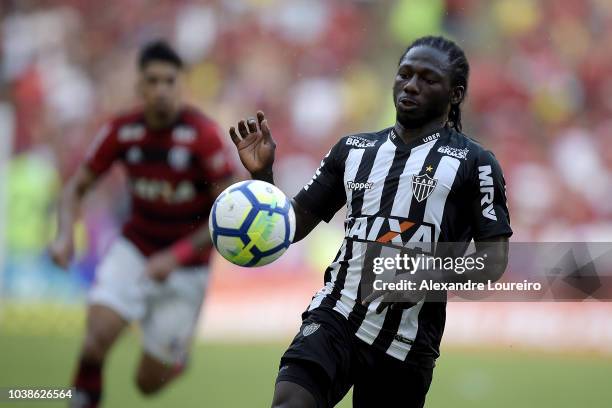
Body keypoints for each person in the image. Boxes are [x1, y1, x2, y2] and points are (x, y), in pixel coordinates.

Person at [229, 35, 512, 407]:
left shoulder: (475, 163)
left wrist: (425, 273)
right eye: (405, 74)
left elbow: (493, 260)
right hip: (336, 315)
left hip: (408, 344)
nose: (411, 85)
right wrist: (263, 177)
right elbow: (291, 226)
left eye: (428, 79)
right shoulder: (353, 150)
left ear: (455, 94)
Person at [49, 40, 234, 407]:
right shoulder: (122, 131)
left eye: (170, 81)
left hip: (187, 267)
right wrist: (64, 235)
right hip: (136, 247)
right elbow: (76, 187)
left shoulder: (204, 136)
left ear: (181, 85)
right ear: (140, 86)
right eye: (153, 81)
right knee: (95, 338)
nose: (162, 90)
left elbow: (228, 215)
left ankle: (176, 357)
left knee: (147, 384)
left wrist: (176, 256)